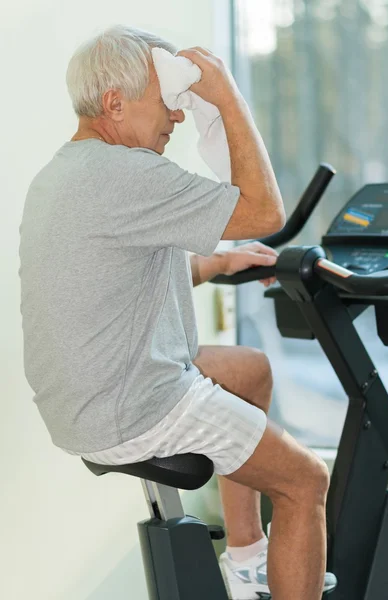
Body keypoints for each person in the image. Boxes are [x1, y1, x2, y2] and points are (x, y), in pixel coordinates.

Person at [19, 25, 337, 600]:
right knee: (306, 482)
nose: (179, 117)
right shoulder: (126, 174)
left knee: (249, 371)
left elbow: (128, 276)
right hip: (134, 404)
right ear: (114, 103)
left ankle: (246, 561)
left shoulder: (66, 174)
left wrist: (222, 261)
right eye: (166, 100)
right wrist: (226, 94)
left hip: (85, 399)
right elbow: (263, 208)